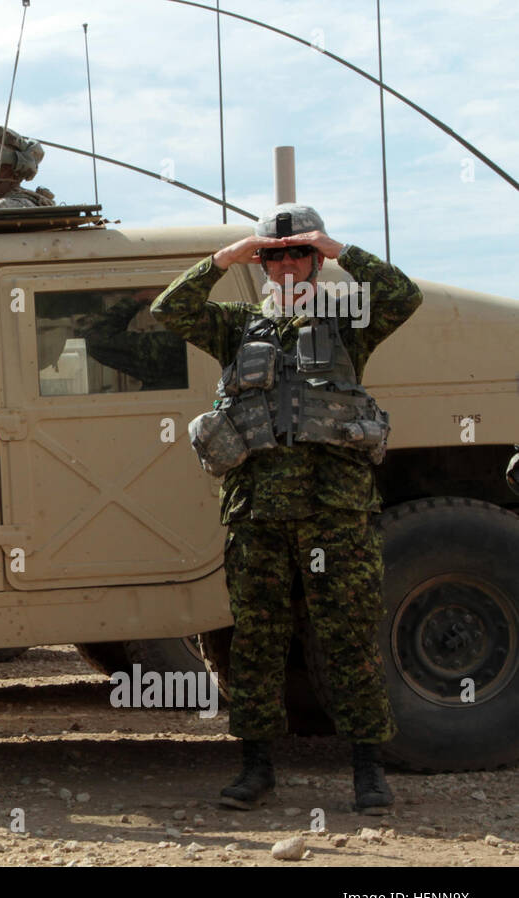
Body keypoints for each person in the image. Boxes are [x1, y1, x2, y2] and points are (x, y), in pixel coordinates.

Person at [149, 202, 423, 815]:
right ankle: (255, 767)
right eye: (274, 255)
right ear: (264, 263)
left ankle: (367, 770)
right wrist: (225, 258)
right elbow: (170, 309)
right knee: (256, 643)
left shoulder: (349, 323)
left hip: (337, 512)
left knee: (349, 637)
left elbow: (404, 297)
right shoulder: (237, 325)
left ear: (315, 260)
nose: (287, 265)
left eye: (299, 252)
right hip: (258, 514)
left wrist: (341, 250)